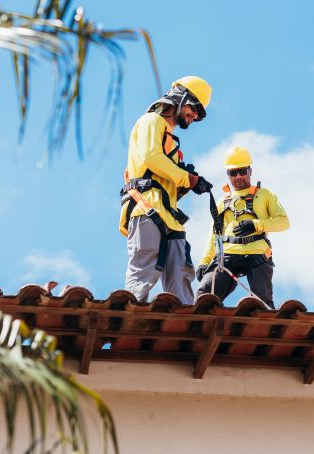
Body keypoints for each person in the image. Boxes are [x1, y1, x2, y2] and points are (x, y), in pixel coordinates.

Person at [119, 76, 214, 305]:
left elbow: (165, 177)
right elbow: (150, 157)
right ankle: (128, 321)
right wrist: (185, 178)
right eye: (194, 109)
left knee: (181, 274)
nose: (194, 117)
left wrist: (189, 182)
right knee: (144, 269)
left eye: (198, 115)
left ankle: (184, 332)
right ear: (180, 98)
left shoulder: (171, 143)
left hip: (169, 216)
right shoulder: (151, 121)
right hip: (146, 207)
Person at [195, 146, 290, 309]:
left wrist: (256, 225)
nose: (238, 176)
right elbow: (214, 235)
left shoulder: (265, 194)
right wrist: (204, 262)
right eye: (233, 172)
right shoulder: (222, 202)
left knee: (263, 304)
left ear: (250, 170)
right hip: (228, 255)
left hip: (258, 254)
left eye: (242, 171)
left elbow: (283, 222)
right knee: (205, 295)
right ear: (228, 175)